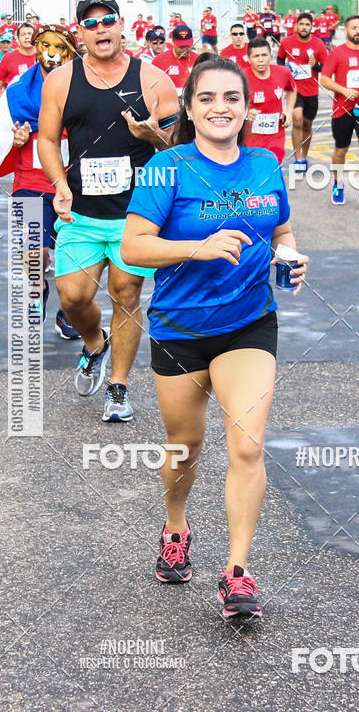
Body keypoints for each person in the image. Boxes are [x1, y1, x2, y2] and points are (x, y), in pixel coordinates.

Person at [120, 56, 308, 619]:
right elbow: (133, 248)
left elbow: (281, 229)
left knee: (247, 444)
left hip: (249, 322)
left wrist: (289, 255)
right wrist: (195, 247)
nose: (220, 108)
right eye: (206, 98)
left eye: (231, 98)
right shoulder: (167, 168)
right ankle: (176, 524)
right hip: (179, 329)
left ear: (247, 107)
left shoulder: (264, 163)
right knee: (186, 446)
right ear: (190, 107)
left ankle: (238, 573)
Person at [38, 0, 180, 421]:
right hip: (80, 212)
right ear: (80, 32)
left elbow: (178, 150)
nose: (101, 28)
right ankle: (96, 343)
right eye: (91, 23)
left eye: (108, 20)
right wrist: (59, 183)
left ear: (122, 26)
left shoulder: (155, 80)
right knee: (72, 296)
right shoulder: (62, 80)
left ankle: (118, 387)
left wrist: (152, 136)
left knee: (126, 293)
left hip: (134, 217)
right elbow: (47, 140)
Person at [0, 23, 81, 337]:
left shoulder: (86, 85)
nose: (52, 54)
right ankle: (36, 297)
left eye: (60, 47)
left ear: (71, 51)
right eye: (46, 46)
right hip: (30, 182)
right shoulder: (18, 91)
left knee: (75, 256)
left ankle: (69, 311)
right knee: (34, 252)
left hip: (75, 185)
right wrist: (16, 139)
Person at [320, 14, 359, 208]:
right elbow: (324, 79)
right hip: (342, 109)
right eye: (354, 27)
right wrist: (344, 90)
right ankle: (338, 185)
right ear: (346, 31)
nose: (358, 31)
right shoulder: (337, 53)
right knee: (341, 150)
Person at [277, 12, 328, 172]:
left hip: (311, 91)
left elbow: (326, 69)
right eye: (302, 24)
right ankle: (298, 158)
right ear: (296, 25)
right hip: (294, 89)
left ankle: (304, 157)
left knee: (307, 125)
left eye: (307, 25)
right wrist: (285, 70)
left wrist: (315, 66)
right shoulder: (286, 42)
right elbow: (280, 59)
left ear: (311, 27)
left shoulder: (319, 45)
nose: (304, 27)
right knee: (297, 119)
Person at [244, 37, 296, 165]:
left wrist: (289, 110)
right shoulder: (241, 77)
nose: (261, 60)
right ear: (249, 58)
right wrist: (245, 113)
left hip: (275, 136)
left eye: (264, 55)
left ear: (270, 55)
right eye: (256, 56)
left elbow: (292, 89)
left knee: (272, 166)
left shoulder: (283, 72)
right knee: (255, 172)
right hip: (250, 137)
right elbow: (229, 102)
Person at [0, 22, 36, 103]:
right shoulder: (8, 58)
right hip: (15, 106)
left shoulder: (42, 57)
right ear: (17, 38)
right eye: (23, 35)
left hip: (38, 108)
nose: (27, 37)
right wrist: (1, 107)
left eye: (30, 34)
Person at [152, 24, 198, 98]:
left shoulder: (199, 59)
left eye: (188, 46)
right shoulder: (159, 61)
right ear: (173, 41)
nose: (185, 50)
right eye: (181, 47)